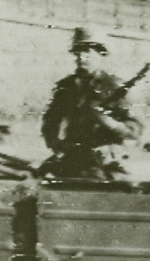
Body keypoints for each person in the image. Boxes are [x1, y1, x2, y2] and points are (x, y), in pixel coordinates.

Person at [40, 28, 143, 180]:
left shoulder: (114, 86)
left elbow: (134, 131)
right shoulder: (66, 87)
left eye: (87, 51)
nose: (81, 57)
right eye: (78, 52)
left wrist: (107, 121)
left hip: (105, 160)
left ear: (100, 53)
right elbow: (50, 121)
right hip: (73, 157)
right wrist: (56, 144)